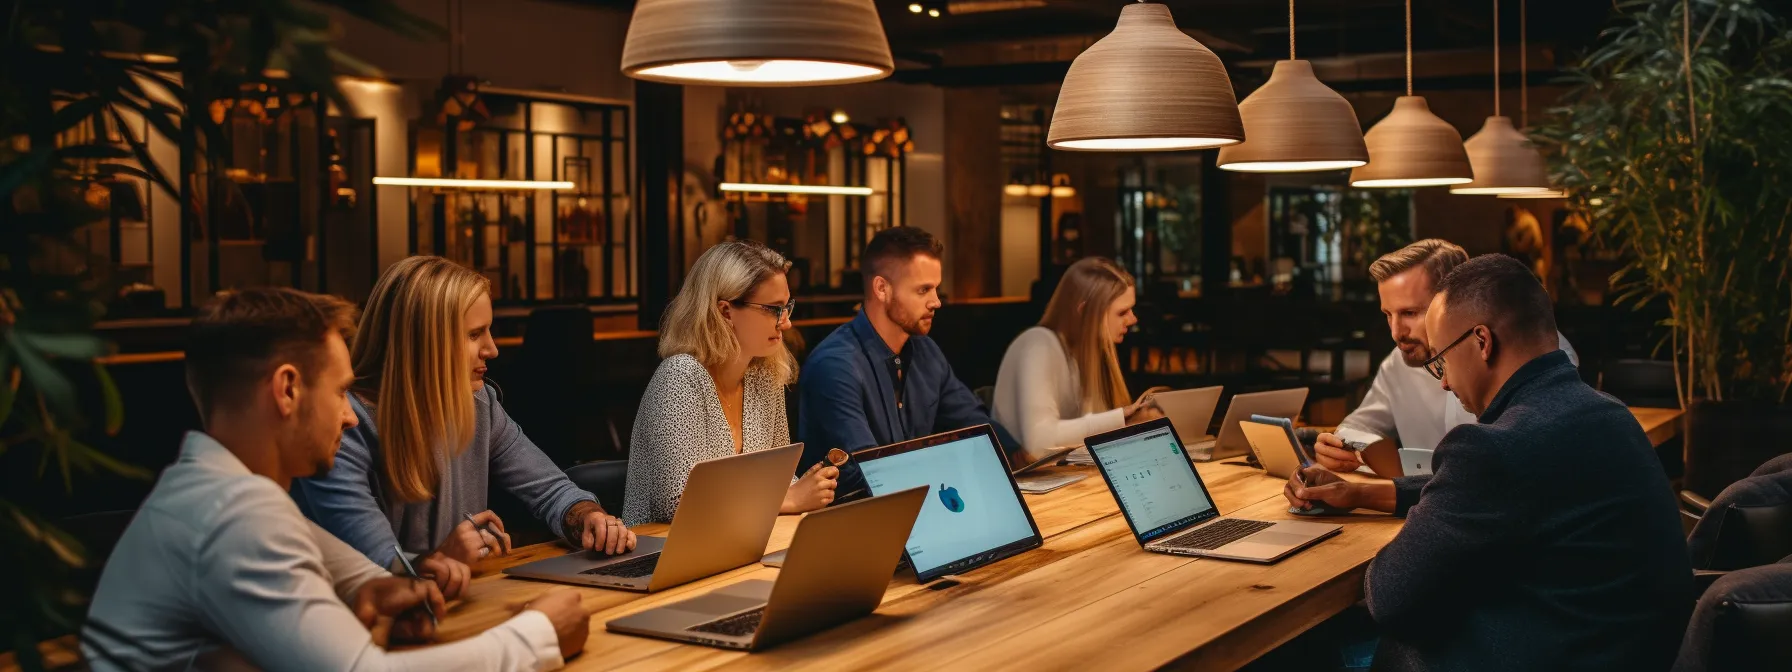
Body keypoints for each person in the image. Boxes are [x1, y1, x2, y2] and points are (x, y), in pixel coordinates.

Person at [82, 288, 588, 670]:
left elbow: (378, 584)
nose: (350, 417)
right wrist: (539, 632)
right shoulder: (233, 515)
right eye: (340, 392)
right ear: (286, 391)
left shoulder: (220, 492)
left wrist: (376, 595)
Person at [1285, 255, 1692, 671]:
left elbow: (1390, 597)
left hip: (1539, 653)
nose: (1442, 380)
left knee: (1303, 650)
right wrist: (1362, 493)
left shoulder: (1495, 448)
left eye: (1441, 358)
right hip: (1626, 650)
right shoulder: (1606, 413)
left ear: (1482, 342)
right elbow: (1511, 494)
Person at [292, 256, 635, 573]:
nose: (492, 349)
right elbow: (376, 566)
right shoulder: (342, 426)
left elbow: (551, 491)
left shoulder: (478, 403)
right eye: (474, 335)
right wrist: (444, 558)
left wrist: (588, 516)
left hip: (458, 607)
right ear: (424, 343)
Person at [1314, 239, 1578, 477]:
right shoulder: (1399, 360)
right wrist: (1339, 447)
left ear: (1451, 300)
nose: (1396, 333)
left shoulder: (1537, 352)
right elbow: (1357, 427)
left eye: (1410, 313)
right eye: (1387, 314)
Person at [622, 241, 839, 525]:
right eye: (773, 309)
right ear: (725, 311)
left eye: (787, 307)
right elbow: (678, 505)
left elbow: (779, 480)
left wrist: (806, 486)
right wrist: (789, 499)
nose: (785, 323)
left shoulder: (764, 377)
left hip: (739, 546)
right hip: (660, 556)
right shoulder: (679, 377)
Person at [799, 226, 1022, 494]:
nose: (936, 302)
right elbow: (871, 473)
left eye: (936, 289)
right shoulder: (835, 365)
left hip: (917, 504)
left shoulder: (925, 351)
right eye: (923, 290)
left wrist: (1022, 456)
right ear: (882, 288)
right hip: (853, 522)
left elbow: (976, 424)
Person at [993, 256, 1163, 461]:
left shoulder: (1083, 352)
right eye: (1122, 312)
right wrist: (1122, 421)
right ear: (1084, 312)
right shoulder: (1037, 344)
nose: (1133, 319)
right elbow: (1038, 442)